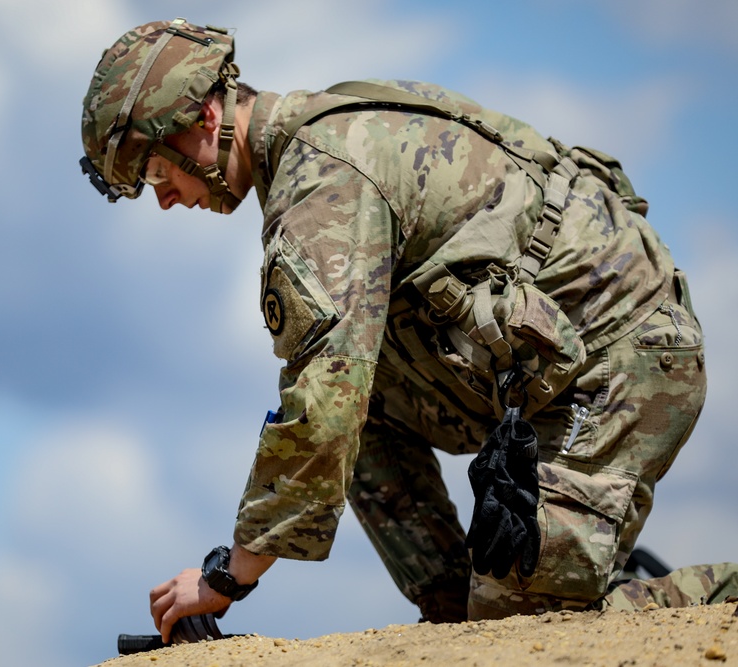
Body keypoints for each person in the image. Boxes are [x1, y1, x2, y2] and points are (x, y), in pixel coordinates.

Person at [80, 19, 738, 641]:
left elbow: (322, 404)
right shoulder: (324, 132)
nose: (163, 196)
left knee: (517, 625)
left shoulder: (320, 182)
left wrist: (228, 575)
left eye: (157, 171)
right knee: (375, 432)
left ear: (205, 120)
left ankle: (697, 599)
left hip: (622, 357)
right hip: (551, 365)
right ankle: (462, 601)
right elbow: (349, 393)